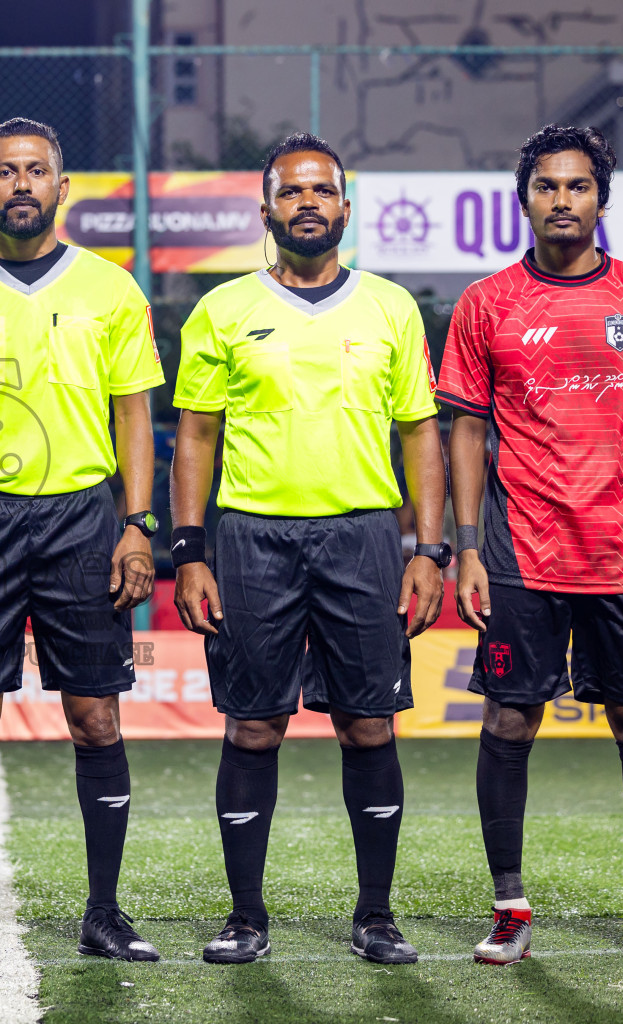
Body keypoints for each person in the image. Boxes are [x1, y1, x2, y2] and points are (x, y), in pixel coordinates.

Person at [170, 132, 446, 967]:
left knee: (368, 726)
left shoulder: (391, 307)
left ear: (345, 209)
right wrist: (189, 551)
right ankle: (245, 916)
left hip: (362, 537)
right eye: (291, 192)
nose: (307, 203)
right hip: (252, 538)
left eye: (321, 191)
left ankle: (376, 916)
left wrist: (428, 549)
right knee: (253, 727)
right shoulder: (221, 309)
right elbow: (195, 437)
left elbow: (421, 436)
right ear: (266, 210)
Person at [0, 117, 164, 965]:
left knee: (93, 715)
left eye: (36, 171)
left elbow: (134, 417)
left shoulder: (112, 291)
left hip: (82, 518)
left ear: (61, 188)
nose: (20, 183)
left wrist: (137, 526)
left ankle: (105, 914)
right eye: (5, 172)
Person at [438, 124, 623, 967]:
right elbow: (467, 431)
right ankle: (511, 908)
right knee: (511, 718)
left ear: (602, 197)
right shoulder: (487, 304)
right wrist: (468, 548)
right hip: (522, 549)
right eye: (547, 186)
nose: (563, 200)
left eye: (578, 186)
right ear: (525, 200)